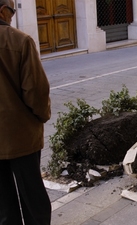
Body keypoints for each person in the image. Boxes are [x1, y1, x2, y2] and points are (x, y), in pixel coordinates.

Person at [0, 0, 51, 224]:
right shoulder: (19, 40)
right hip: (20, 135)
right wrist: (42, 116)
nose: (12, 16)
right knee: (32, 194)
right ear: (2, 10)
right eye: (11, 11)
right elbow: (36, 91)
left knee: (2, 201)